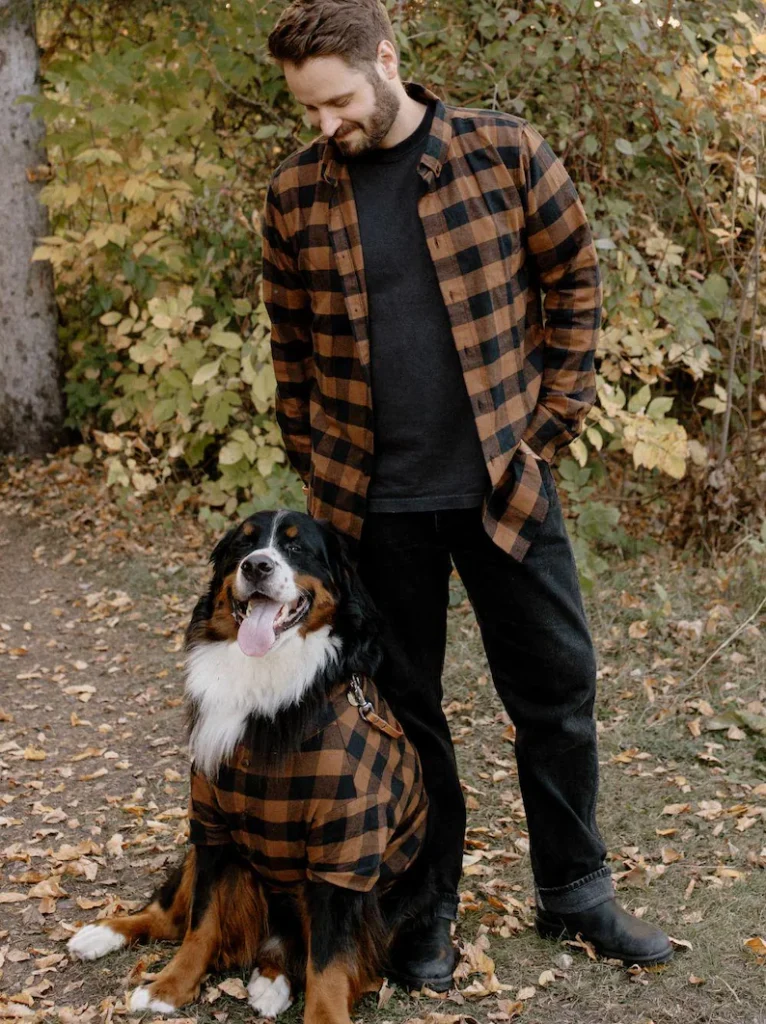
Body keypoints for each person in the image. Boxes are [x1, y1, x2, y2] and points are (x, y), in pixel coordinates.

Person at [261, 0, 672, 991]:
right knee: (403, 713)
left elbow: (575, 278)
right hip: (372, 505)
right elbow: (291, 347)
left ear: (386, 59)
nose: (325, 123)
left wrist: (551, 423)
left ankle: (574, 891)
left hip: (504, 486)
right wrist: (320, 468)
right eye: (308, 109)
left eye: (337, 101)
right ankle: (423, 908)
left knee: (556, 693)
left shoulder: (503, 152)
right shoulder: (295, 194)